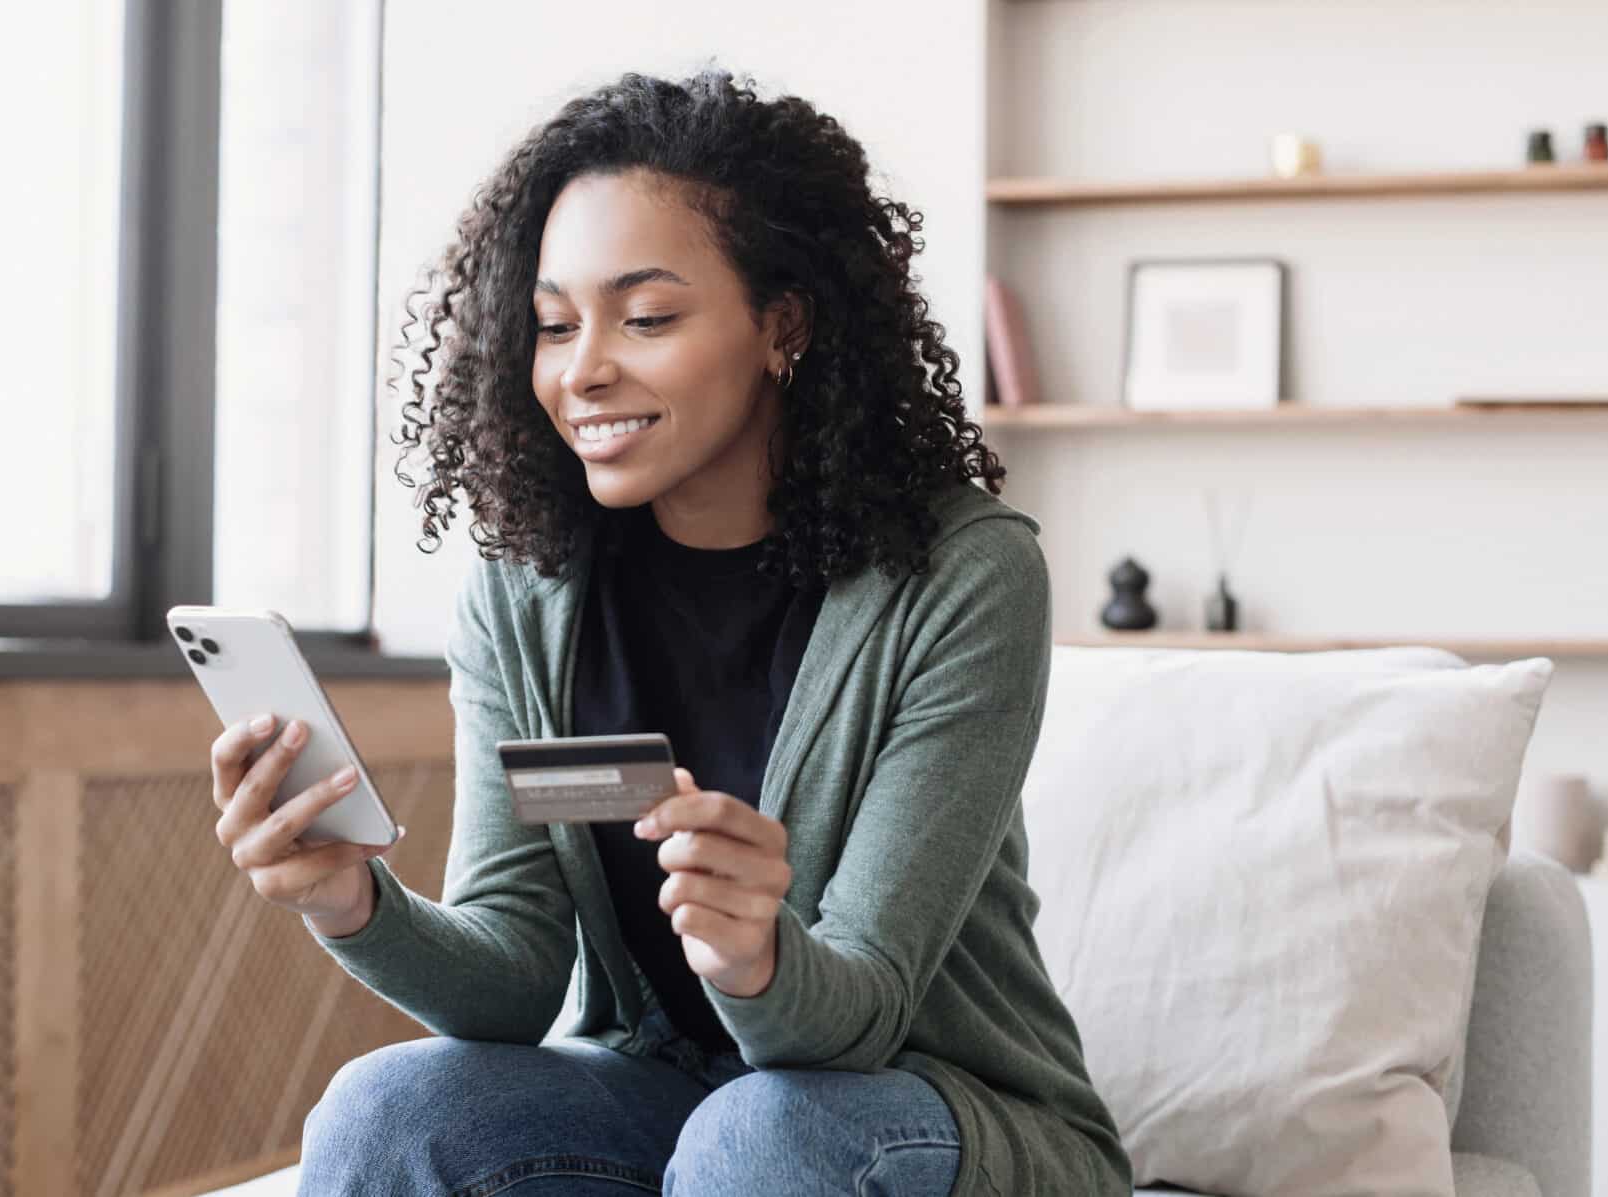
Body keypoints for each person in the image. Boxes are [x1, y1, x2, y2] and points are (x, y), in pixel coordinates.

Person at [208, 67, 1130, 1197]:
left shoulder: (960, 575)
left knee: (761, 1134)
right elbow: (515, 972)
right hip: (672, 1092)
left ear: (779, 323)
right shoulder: (525, 590)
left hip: (921, 1113)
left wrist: (755, 956)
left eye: (644, 317)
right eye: (553, 324)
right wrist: (350, 902)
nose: (582, 369)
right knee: (386, 1108)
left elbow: (866, 1007)